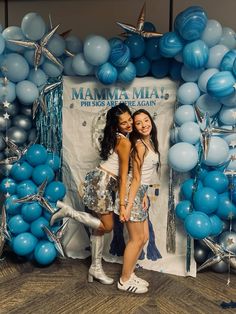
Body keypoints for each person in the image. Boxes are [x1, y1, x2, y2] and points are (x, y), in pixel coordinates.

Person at [50, 102, 133, 285]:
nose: (129, 124)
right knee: (108, 226)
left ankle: (95, 269)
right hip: (103, 184)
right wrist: (122, 203)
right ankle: (69, 212)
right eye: (124, 122)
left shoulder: (115, 137)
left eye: (129, 120)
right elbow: (124, 174)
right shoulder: (124, 142)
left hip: (98, 179)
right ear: (116, 125)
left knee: (99, 229)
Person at [117, 109, 160, 294]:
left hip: (139, 193)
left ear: (151, 120)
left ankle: (130, 272)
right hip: (130, 194)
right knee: (136, 240)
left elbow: (143, 177)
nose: (144, 125)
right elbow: (134, 178)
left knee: (144, 238)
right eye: (138, 123)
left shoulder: (149, 142)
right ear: (134, 127)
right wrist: (125, 205)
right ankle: (124, 280)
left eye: (146, 120)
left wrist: (144, 194)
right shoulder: (139, 145)